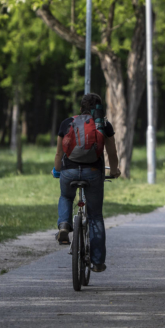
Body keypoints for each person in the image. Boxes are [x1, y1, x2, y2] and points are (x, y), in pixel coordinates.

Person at [52, 93, 120, 273]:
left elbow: (59, 154)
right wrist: (114, 170)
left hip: (69, 171)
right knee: (95, 215)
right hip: (93, 172)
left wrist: (57, 170)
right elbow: (112, 153)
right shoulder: (104, 125)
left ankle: (64, 225)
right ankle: (97, 262)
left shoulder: (67, 123)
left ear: (81, 107)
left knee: (66, 196)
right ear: (99, 108)